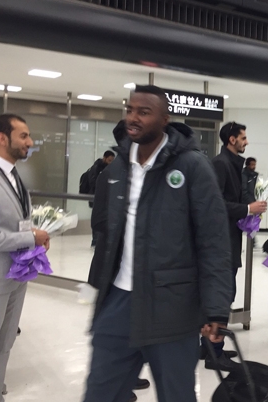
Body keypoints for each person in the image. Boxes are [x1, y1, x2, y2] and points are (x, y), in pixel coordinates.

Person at [82, 85, 234, 402]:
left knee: (176, 395)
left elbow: (214, 240)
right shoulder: (119, 166)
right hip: (119, 303)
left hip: (172, 307)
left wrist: (216, 308)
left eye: (143, 111)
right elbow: (108, 231)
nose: (133, 118)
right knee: (100, 392)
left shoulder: (192, 166)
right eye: (130, 110)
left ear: (165, 119)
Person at [0, 114, 51, 402]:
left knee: (3, 347)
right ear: (2, 138)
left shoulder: (15, 176)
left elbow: (12, 224)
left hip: (17, 277)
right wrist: (29, 238)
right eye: (24, 136)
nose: (29, 142)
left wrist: (35, 235)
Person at [86, 121, 148, 402]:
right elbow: (98, 220)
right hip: (113, 269)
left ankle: (128, 377)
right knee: (113, 332)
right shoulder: (110, 175)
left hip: (143, 277)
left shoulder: (147, 175)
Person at [207, 122, 267, 367]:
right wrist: (246, 208)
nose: (246, 142)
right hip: (220, 243)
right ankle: (214, 352)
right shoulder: (221, 164)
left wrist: (252, 207)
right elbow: (214, 204)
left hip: (229, 239)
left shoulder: (235, 165)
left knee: (222, 293)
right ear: (231, 140)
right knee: (222, 294)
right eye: (243, 137)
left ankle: (211, 348)